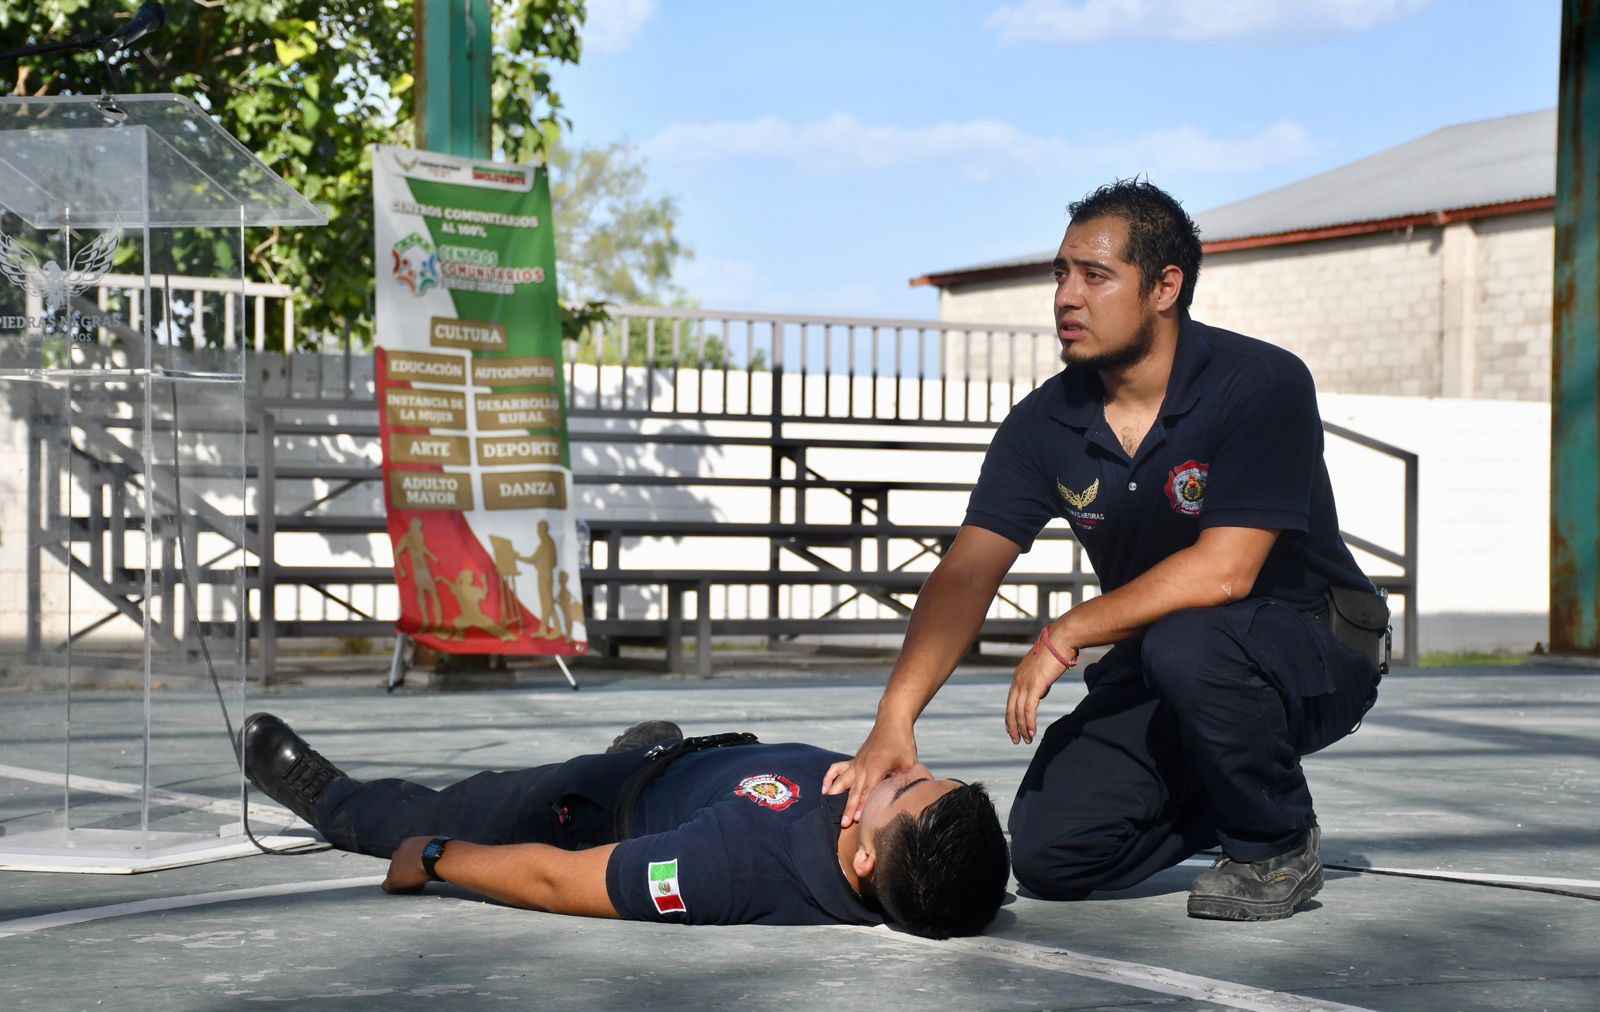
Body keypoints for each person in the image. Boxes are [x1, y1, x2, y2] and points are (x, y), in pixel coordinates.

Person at [824, 179, 1385, 922]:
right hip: (1170, 663)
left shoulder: (1260, 383)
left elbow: (1227, 571)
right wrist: (895, 716)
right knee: (1053, 851)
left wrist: (1068, 632)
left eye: (1095, 275)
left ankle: (1274, 841)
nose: (1066, 296)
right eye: (1060, 273)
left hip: (1312, 647)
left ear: (1165, 287)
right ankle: (1233, 779)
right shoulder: (1045, 424)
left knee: (1191, 643)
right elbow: (966, 574)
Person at [243, 712, 1009, 939]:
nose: (904, 769)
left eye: (905, 791)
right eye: (924, 774)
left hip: (602, 807)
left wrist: (442, 857)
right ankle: (644, 750)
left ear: (869, 859)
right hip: (690, 762)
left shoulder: (731, 868)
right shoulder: (919, 849)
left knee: (463, 804)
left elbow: (560, 879)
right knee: (651, 757)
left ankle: (335, 801)